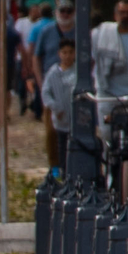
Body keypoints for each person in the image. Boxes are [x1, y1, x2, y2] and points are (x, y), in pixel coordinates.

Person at [40, 33, 80, 169]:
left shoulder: (78, 72)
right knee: (59, 146)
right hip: (59, 118)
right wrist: (54, 107)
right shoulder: (53, 73)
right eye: (64, 52)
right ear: (59, 54)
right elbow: (46, 93)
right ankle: (58, 170)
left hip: (75, 119)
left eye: (70, 52)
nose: (67, 56)